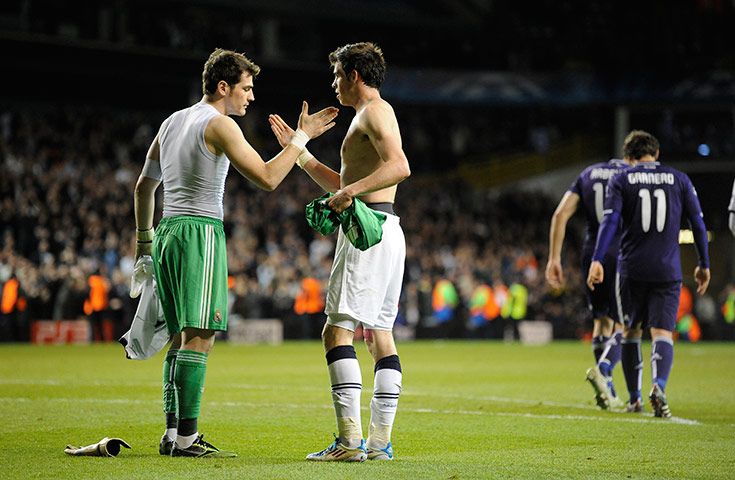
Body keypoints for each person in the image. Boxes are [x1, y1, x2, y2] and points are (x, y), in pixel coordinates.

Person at [134, 48, 338, 457]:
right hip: (200, 232)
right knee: (201, 337)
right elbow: (267, 177)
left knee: (178, 337)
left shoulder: (171, 122)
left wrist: (144, 241)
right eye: (246, 88)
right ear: (223, 87)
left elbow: (143, 188)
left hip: (167, 231)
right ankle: (188, 439)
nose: (251, 96)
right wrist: (302, 138)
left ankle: (172, 434)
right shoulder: (220, 125)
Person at [269, 42, 410, 462]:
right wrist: (301, 153)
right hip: (386, 228)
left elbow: (399, 166)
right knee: (380, 336)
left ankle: (350, 443)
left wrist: (349, 191)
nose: (332, 83)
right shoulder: (372, 115)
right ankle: (379, 444)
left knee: (337, 332)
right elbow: (348, 180)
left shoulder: (372, 112)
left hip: (366, 229)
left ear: (354, 74)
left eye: (336, 75)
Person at [587, 130, 710, 418]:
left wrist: (597, 259)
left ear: (628, 158)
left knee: (630, 331)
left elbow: (610, 221)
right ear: (656, 155)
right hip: (668, 269)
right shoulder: (680, 179)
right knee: (662, 332)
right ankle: (659, 384)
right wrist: (703, 263)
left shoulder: (622, 178)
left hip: (631, 268)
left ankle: (635, 399)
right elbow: (698, 225)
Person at [546, 157, 633, 410]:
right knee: (626, 322)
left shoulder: (588, 174)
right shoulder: (629, 173)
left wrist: (554, 258)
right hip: (619, 251)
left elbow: (560, 213)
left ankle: (610, 391)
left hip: (590, 251)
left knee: (601, 320)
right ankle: (604, 372)